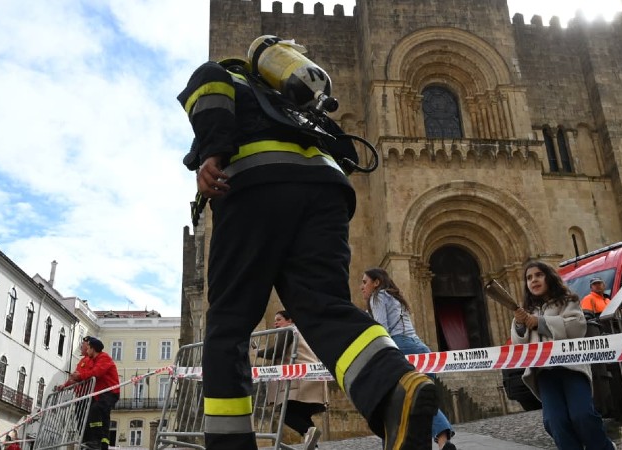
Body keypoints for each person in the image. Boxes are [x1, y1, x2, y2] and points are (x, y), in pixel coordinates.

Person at [178, 34, 437, 450]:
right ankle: (394, 387)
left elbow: (208, 95)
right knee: (324, 307)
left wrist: (211, 153)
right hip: (326, 193)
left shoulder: (225, 73)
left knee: (228, 325)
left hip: (255, 188)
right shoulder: (294, 104)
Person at [511, 261, 613, 450]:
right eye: (529, 278)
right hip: (544, 373)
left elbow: (576, 327)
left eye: (538, 275)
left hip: (572, 369)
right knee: (554, 422)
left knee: (582, 416)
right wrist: (519, 324)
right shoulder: (526, 311)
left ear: (549, 277)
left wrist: (541, 323)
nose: (533, 280)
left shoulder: (568, 301)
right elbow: (519, 344)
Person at [360, 268, 457, 450]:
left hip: (400, 348)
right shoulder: (395, 297)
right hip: (422, 350)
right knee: (424, 400)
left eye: (365, 282)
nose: (361, 287)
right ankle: (444, 442)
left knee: (390, 401)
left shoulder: (378, 296)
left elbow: (382, 330)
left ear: (376, 282)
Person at [255, 310, 325, 449]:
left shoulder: (288, 331)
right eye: (275, 320)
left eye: (279, 319)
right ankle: (313, 445)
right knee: (301, 415)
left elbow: (276, 352)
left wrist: (258, 352)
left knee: (285, 413)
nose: (276, 322)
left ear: (290, 320)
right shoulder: (299, 332)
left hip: (300, 380)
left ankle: (307, 431)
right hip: (312, 378)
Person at [60, 336, 120, 450]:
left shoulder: (104, 358)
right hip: (98, 394)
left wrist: (79, 376)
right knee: (97, 416)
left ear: (92, 348)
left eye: (88, 347)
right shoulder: (91, 360)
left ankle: (97, 441)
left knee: (96, 411)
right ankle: (96, 442)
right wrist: (67, 383)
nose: (86, 349)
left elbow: (96, 372)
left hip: (109, 392)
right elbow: (83, 374)